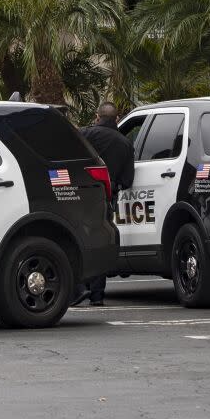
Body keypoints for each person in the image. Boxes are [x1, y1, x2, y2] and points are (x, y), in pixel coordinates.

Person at [71, 102, 135, 307]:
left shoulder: (86, 134)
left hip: (81, 195)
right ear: (116, 119)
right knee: (100, 240)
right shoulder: (125, 144)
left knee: (76, 240)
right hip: (107, 197)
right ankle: (97, 295)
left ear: (98, 117)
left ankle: (78, 289)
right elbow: (128, 181)